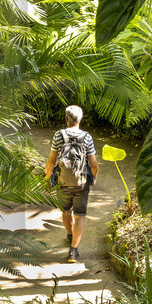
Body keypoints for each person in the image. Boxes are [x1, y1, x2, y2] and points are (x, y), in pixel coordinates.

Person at [43, 105, 98, 262]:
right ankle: (73, 251)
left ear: (66, 119)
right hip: (81, 182)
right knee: (79, 215)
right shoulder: (87, 137)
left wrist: (47, 180)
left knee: (66, 211)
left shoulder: (58, 135)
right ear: (80, 119)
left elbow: (51, 160)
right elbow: (93, 164)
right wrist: (93, 177)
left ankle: (69, 234)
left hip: (63, 182)